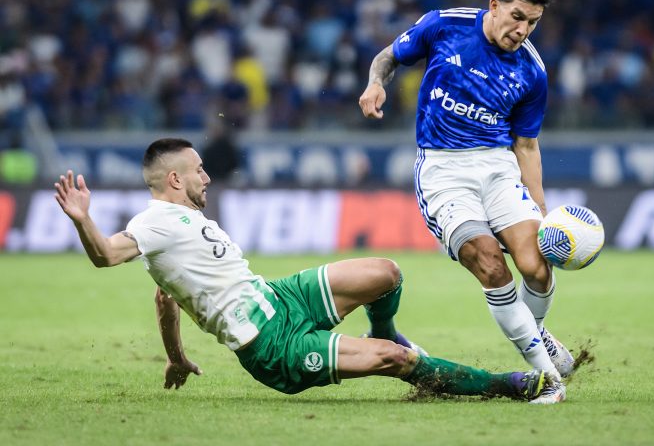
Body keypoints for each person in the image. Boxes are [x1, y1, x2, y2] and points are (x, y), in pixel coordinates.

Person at [53, 137, 554, 402]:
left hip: (279, 297)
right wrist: (84, 222)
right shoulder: (153, 221)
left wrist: (177, 356)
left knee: (386, 273)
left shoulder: (184, 220)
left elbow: (166, 298)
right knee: (394, 363)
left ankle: (390, 331)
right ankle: (502, 386)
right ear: (176, 178)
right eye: (200, 169)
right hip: (271, 346)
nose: (208, 175)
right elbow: (107, 255)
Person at [358, 0, 571, 404]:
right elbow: (388, 56)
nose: (522, 30)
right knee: (492, 265)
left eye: (532, 22)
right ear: (494, 6)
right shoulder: (445, 25)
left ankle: (537, 332)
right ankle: (547, 376)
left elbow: (526, 147)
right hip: (443, 170)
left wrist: (543, 214)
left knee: (536, 264)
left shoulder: (533, 71)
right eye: (516, 16)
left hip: (497, 167)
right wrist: (375, 84)